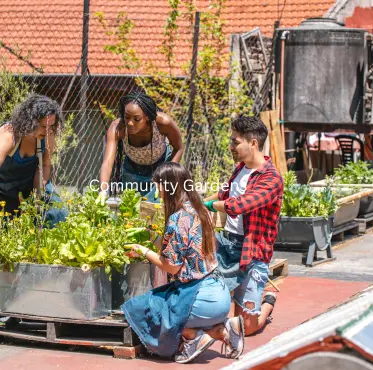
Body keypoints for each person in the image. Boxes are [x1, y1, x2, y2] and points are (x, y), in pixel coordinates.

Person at [124, 162, 245, 364]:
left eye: (159, 185)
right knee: (162, 302)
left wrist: (141, 250)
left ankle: (192, 336)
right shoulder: (200, 211)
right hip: (220, 293)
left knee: (147, 309)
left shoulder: (177, 219)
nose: (157, 191)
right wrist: (151, 236)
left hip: (200, 298)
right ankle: (222, 329)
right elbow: (186, 248)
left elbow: (171, 266)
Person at [203, 116, 283, 337]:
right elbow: (224, 194)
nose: (231, 147)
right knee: (212, 308)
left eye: (235, 142)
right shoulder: (240, 169)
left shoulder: (272, 178)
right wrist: (197, 204)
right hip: (228, 245)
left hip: (253, 253)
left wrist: (210, 206)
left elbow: (241, 205)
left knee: (246, 328)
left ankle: (268, 302)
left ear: (253, 143)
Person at [0, 94, 63, 228]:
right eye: (43, 126)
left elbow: (45, 164)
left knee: (56, 213)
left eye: (51, 126)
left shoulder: (48, 135)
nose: (48, 131)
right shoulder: (9, 135)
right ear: (30, 121)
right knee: (3, 232)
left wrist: (38, 197)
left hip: (27, 181)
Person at [99, 91, 183, 202]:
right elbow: (107, 163)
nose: (130, 123)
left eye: (136, 119)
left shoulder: (163, 123)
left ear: (147, 117)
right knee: (130, 207)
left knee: (157, 205)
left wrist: (167, 175)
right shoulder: (118, 128)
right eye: (127, 117)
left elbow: (179, 148)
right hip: (132, 168)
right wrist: (103, 191)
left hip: (161, 166)